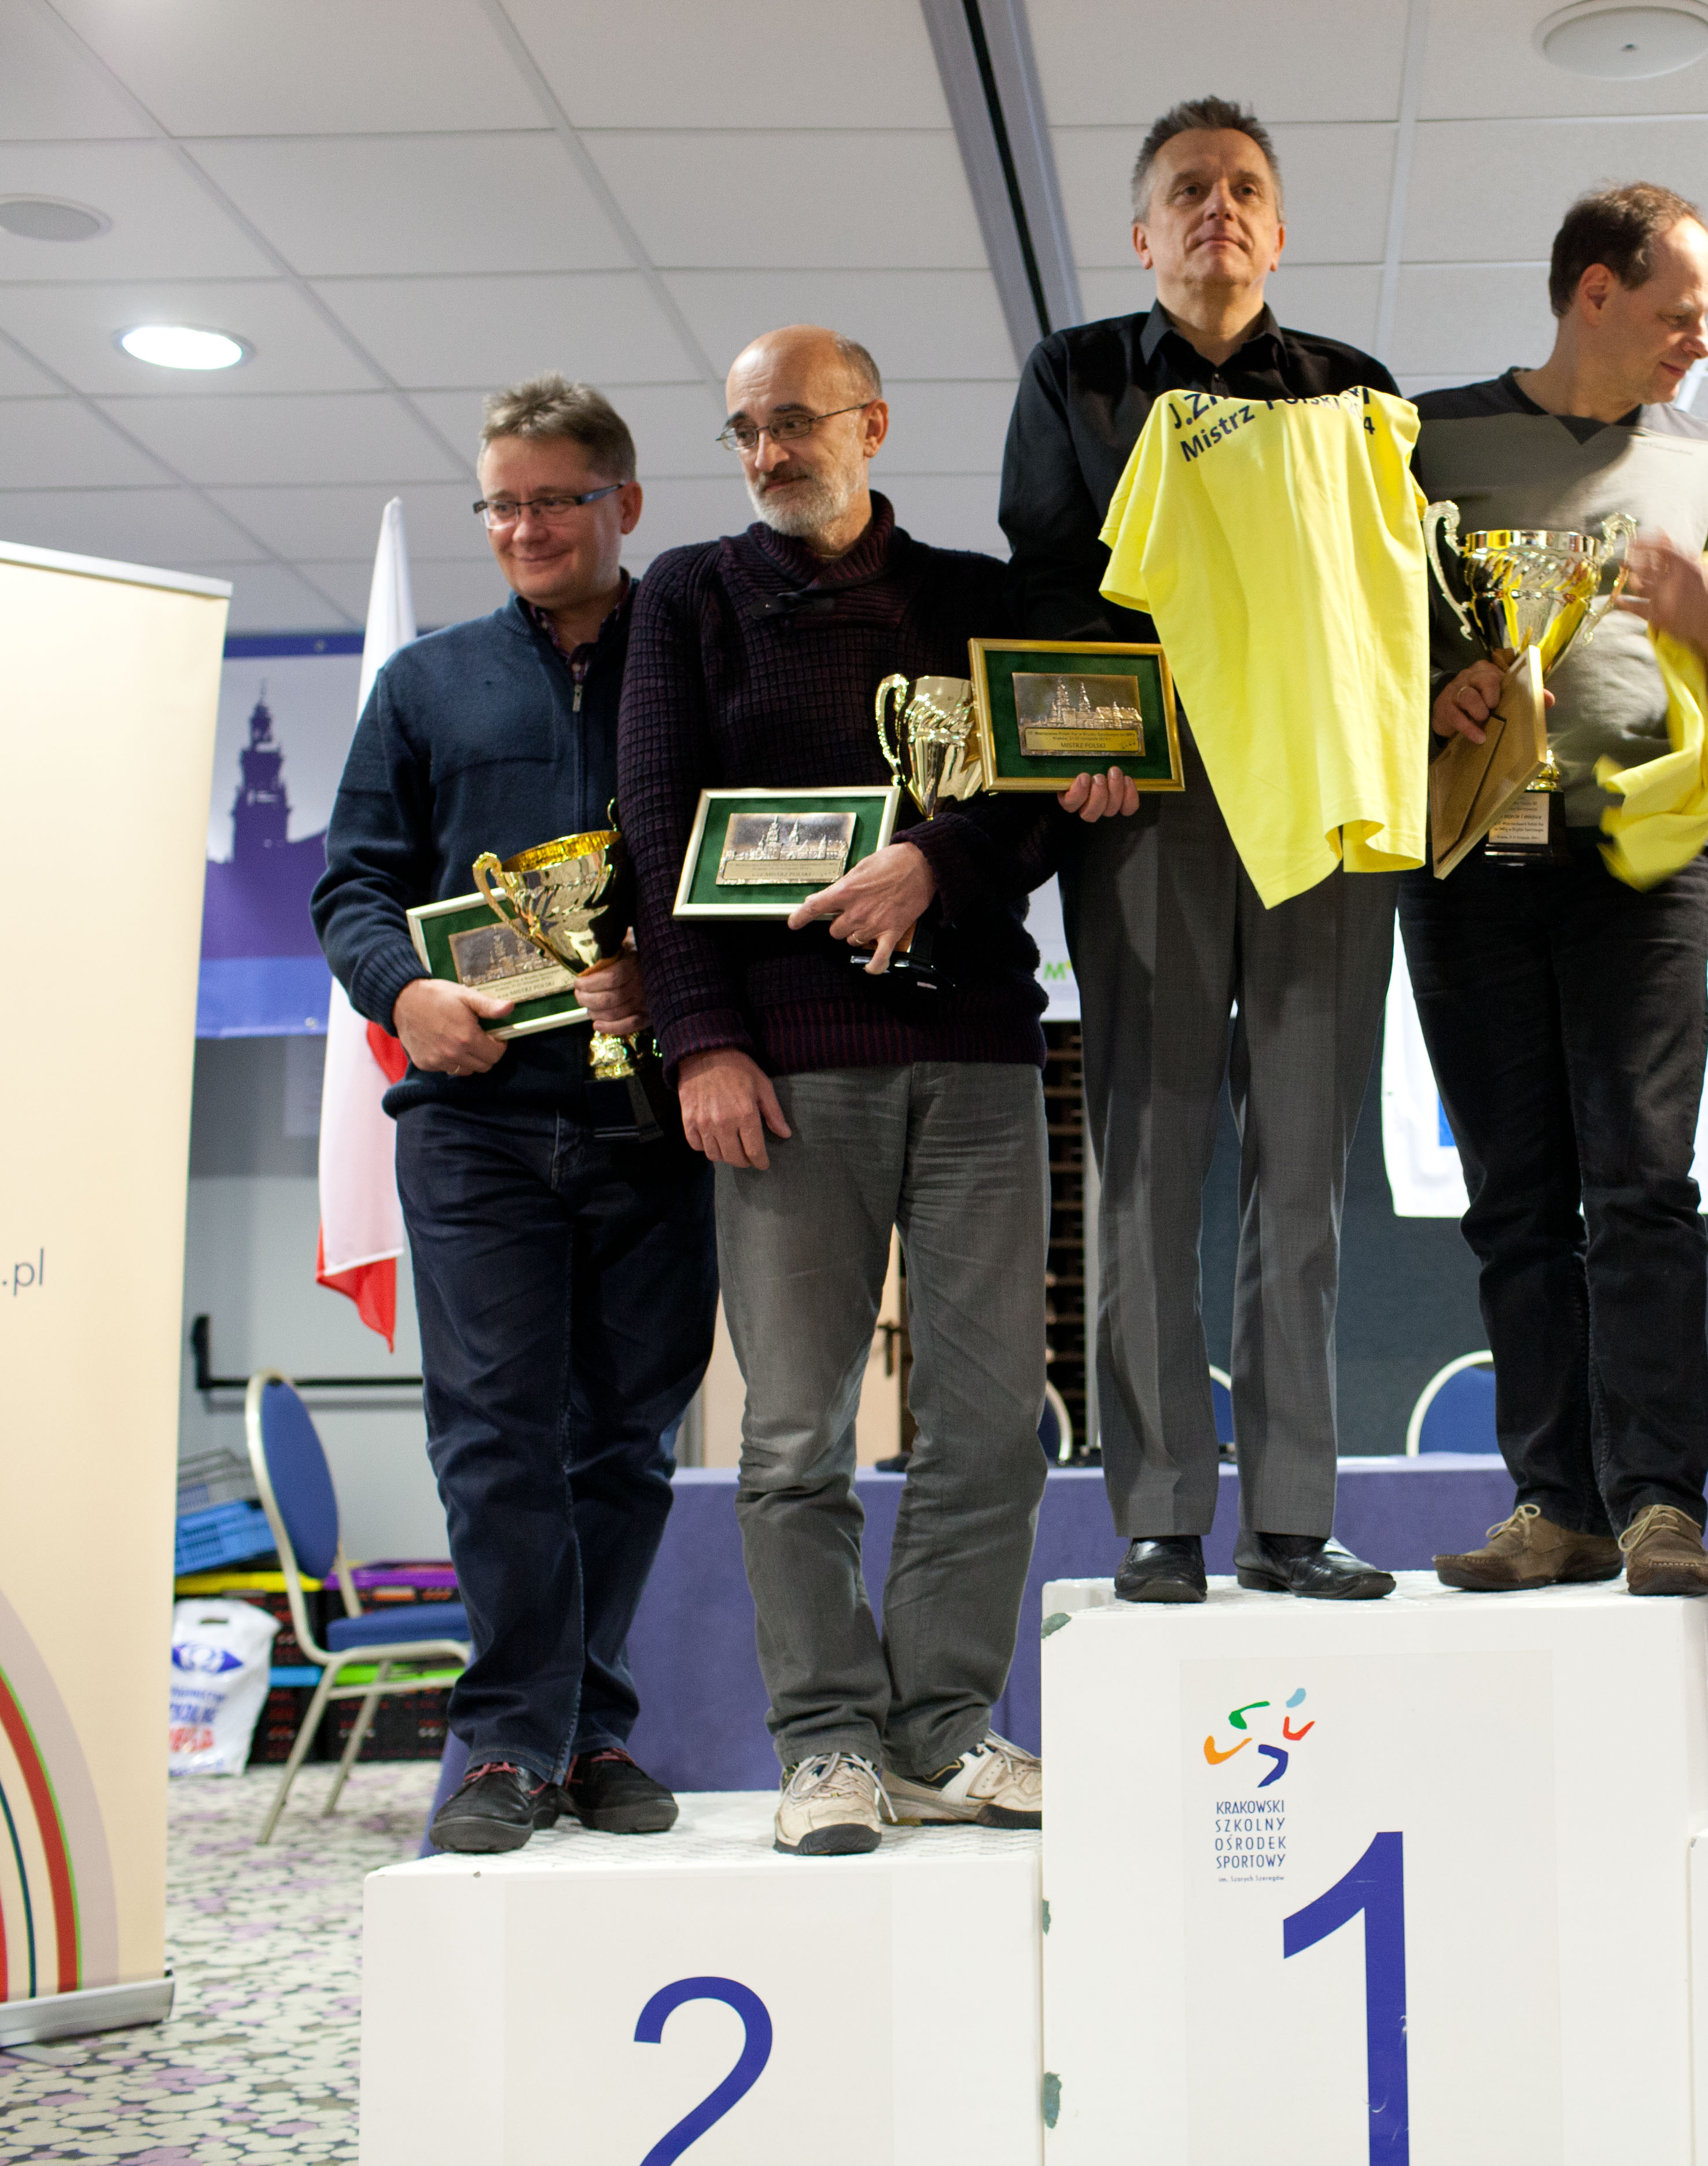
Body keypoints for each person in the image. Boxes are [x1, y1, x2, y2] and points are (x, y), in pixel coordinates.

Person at [619, 326, 1131, 1857]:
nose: (770, 452)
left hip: (979, 1056)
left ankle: (943, 1731)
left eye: (795, 421)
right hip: (782, 1070)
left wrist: (938, 862)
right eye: (744, 431)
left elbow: (1044, 795)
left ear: (874, 426)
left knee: (991, 1428)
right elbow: (656, 827)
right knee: (793, 1440)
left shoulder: (978, 599)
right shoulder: (689, 596)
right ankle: (828, 1742)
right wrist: (702, 1042)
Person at [999, 95, 1398, 1603]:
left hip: (1316, 801)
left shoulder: (1357, 391)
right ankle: (1161, 1514)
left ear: (1277, 232)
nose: (1216, 207)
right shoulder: (1077, 378)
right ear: (1143, 233)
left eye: (1242, 188)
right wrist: (1081, 740)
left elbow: (1383, 595)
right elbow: (1050, 581)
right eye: (1187, 189)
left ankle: (1291, 1518)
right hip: (1148, 802)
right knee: (1148, 1161)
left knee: (1304, 1171)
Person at [313, 376, 711, 1854]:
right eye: (500, 504)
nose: (525, 528)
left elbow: (746, 868)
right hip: (473, 1117)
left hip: (657, 1114)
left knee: (625, 1441)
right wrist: (403, 994)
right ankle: (503, 1745)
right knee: (493, 1436)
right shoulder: (427, 684)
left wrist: (669, 975)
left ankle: (589, 1732)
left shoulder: (701, 663)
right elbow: (354, 885)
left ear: (625, 503)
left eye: (554, 500)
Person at [1405, 183, 1708, 1603]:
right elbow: (1373, 630)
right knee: (1514, 1197)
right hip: (1469, 855)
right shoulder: (1425, 440)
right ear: (1595, 293)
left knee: (1643, 1188)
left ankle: (1660, 1501)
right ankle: (1552, 1503)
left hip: (1644, 862)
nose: (1700, 343)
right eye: (1681, 314)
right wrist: (1439, 687)